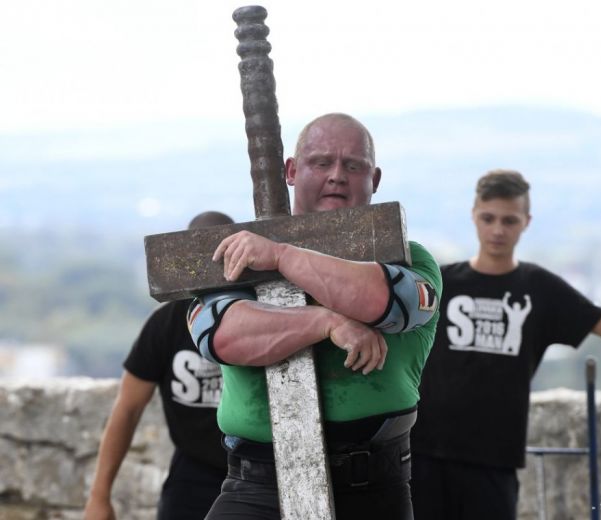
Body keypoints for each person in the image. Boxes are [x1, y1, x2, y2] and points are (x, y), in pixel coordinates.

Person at [186, 113, 443, 520]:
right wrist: (328, 322)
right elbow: (222, 336)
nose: (337, 176)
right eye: (320, 163)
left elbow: (389, 301)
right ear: (291, 171)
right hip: (256, 488)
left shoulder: (411, 257)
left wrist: (283, 256)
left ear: (374, 180)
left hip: (373, 490)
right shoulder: (238, 255)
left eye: (352, 165)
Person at [410, 169, 601, 519]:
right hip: (424, 454)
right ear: (474, 216)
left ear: (526, 222)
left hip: (493, 460)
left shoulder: (539, 288)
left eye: (509, 220)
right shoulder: (443, 282)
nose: (497, 230)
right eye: (488, 218)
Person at [84, 211, 235, 520]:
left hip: (256, 468)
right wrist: (100, 496)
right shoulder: (166, 324)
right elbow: (127, 408)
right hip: (193, 472)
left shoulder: (260, 316)